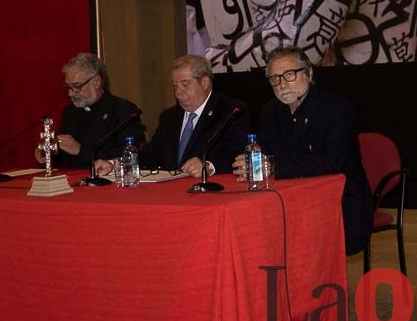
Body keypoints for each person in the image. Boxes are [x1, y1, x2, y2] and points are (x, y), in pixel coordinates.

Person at [231, 46, 373, 255]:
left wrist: (273, 166)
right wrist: (254, 164)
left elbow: (330, 162)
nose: (282, 84)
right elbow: (267, 154)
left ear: (309, 73)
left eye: (289, 75)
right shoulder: (270, 111)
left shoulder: (336, 109)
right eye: (274, 79)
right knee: (247, 228)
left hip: (338, 201)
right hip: (287, 198)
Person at [95, 54, 248, 180]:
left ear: (205, 82)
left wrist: (208, 165)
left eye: (185, 84)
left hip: (210, 192)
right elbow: (151, 155)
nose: (179, 91)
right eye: (175, 85)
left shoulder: (230, 111)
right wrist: (116, 164)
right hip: (172, 194)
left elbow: (237, 153)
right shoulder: (169, 117)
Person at [38, 52, 144, 170]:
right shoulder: (70, 112)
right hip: (74, 182)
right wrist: (48, 154)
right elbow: (64, 157)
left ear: (96, 82)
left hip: (107, 182)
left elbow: (128, 156)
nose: (70, 93)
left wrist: (81, 151)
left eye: (76, 86)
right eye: (68, 87)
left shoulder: (124, 111)